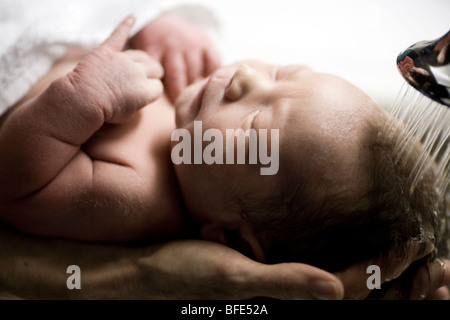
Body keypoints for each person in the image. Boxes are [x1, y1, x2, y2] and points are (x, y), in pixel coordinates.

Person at [0, 7, 449, 299]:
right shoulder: (200, 122)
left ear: (232, 237)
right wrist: (165, 27)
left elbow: (19, 184)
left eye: (256, 125)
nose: (247, 80)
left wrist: (81, 98)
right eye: (283, 71)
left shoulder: (137, 194)